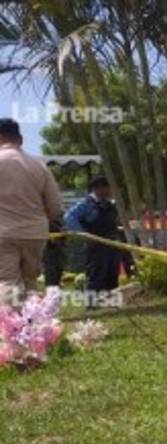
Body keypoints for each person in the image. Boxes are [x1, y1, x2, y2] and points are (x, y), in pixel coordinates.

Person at [0, 118, 62, 303]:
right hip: (35, 234)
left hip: (4, 233)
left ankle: (8, 329)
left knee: (8, 282)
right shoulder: (39, 166)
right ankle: (32, 326)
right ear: (20, 139)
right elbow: (55, 206)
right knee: (30, 283)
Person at [65, 176, 131, 306]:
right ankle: (92, 305)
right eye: (103, 188)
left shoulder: (111, 205)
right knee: (96, 275)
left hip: (112, 244)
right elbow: (69, 217)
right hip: (95, 246)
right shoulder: (87, 205)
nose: (106, 191)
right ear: (96, 189)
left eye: (108, 188)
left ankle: (110, 303)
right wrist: (84, 235)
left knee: (112, 274)